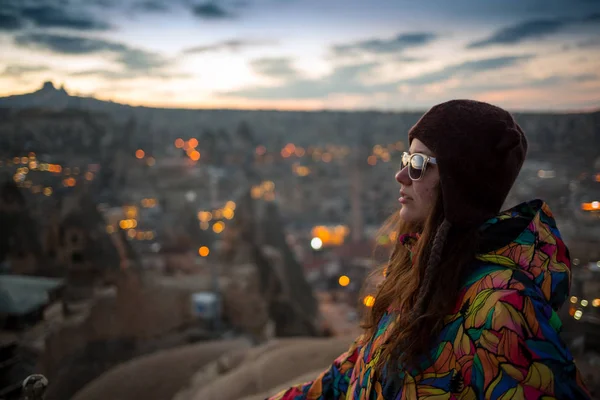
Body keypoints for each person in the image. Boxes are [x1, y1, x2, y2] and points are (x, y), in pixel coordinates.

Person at [268, 100, 591, 399]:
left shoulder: (502, 306)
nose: (401, 175)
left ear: (460, 180)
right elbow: (352, 374)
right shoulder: (419, 272)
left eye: (419, 163)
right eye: (406, 159)